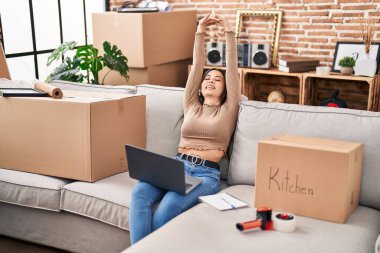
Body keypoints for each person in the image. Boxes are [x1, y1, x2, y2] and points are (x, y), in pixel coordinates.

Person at [129, 13, 240, 244]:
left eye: (218, 80)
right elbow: (197, 65)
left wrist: (229, 32)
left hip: (206, 173)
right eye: (207, 78)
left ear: (225, 88)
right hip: (176, 164)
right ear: (199, 86)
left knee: (169, 204)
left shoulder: (229, 109)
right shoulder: (191, 104)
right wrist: (200, 30)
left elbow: (231, 67)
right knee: (139, 192)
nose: (210, 80)